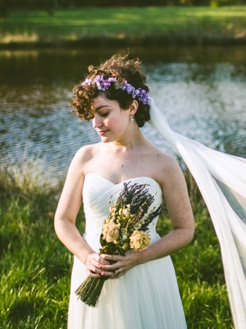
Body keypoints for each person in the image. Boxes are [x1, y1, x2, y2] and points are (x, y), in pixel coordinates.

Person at [55, 54, 194, 328]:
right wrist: (87, 257)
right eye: (91, 115)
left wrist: (137, 258)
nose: (96, 123)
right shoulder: (85, 157)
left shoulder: (164, 164)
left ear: (131, 107)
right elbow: (63, 220)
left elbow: (185, 230)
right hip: (93, 272)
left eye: (104, 113)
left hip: (146, 273)